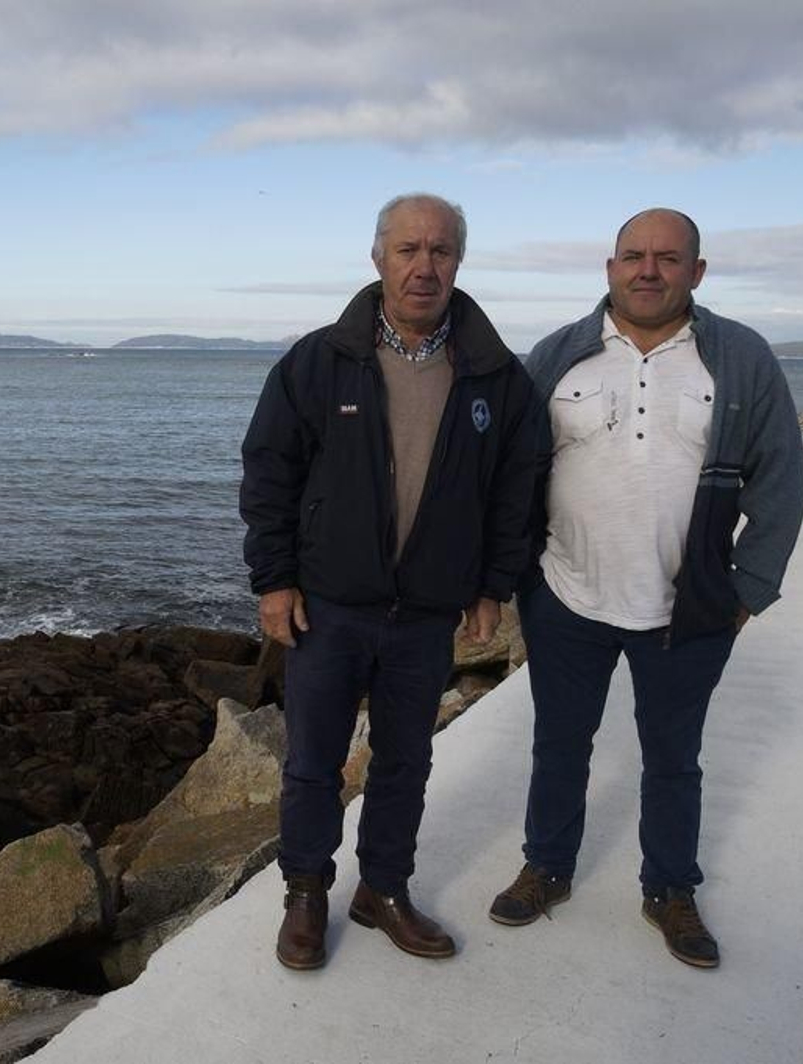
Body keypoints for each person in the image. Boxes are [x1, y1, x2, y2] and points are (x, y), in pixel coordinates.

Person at [487, 208, 803, 969]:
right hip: (565, 595)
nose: (648, 270)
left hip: (687, 610)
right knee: (560, 745)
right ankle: (549, 867)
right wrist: (511, 577)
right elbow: (509, 472)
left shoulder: (741, 360)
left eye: (668, 258)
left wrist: (745, 591)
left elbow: (782, 482)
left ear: (697, 272)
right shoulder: (557, 358)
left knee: (674, 757)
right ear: (609, 268)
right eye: (633, 255)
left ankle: (669, 889)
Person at [241, 193, 539, 970]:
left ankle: (384, 890)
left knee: (407, 761)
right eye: (408, 249)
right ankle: (306, 893)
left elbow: (518, 487)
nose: (424, 266)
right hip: (330, 608)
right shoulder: (319, 360)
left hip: (426, 614)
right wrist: (274, 581)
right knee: (312, 762)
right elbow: (269, 470)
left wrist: (491, 585)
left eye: (440, 251)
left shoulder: (495, 375)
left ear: (458, 263)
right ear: (378, 259)